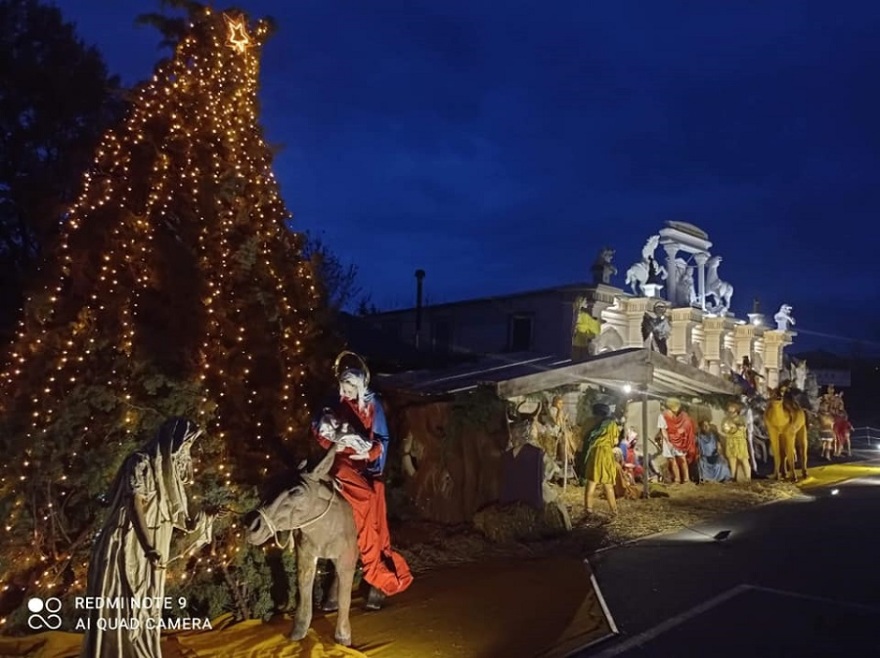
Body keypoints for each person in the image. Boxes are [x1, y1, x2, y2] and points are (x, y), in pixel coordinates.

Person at [81, 418, 214, 658]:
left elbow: (180, 519)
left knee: (147, 601)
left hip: (153, 544)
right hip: (128, 542)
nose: (185, 453)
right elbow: (134, 504)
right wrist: (148, 546)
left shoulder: (168, 479)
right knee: (123, 600)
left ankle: (139, 649)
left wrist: (208, 516)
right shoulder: (140, 462)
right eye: (182, 446)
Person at [314, 362, 413, 611]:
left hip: (366, 467)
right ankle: (337, 587)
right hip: (340, 462)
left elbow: (380, 441)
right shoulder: (332, 403)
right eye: (343, 386)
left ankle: (376, 576)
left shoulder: (373, 405)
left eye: (349, 387)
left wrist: (368, 454)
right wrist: (343, 446)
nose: (345, 391)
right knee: (364, 498)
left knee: (374, 507)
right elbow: (323, 433)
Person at [582, 403, 620, 516]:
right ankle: (614, 511)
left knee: (591, 481)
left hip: (593, 453)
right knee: (608, 484)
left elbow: (583, 436)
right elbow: (615, 441)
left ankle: (588, 510)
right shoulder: (611, 424)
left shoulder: (589, 422)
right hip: (606, 454)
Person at [658, 398, 696, 484]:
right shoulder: (663, 416)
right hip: (672, 440)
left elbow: (687, 426)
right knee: (673, 459)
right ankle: (677, 479)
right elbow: (663, 430)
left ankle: (686, 479)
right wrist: (668, 441)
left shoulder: (681, 416)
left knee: (681, 458)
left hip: (678, 440)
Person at [721, 402, 751, 482]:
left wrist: (735, 426)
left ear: (736, 410)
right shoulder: (725, 419)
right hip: (730, 441)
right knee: (732, 460)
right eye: (729, 410)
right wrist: (730, 428)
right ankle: (733, 476)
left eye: (732, 410)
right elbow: (724, 429)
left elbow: (743, 428)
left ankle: (748, 477)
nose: (730, 412)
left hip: (740, 441)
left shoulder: (742, 418)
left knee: (744, 460)